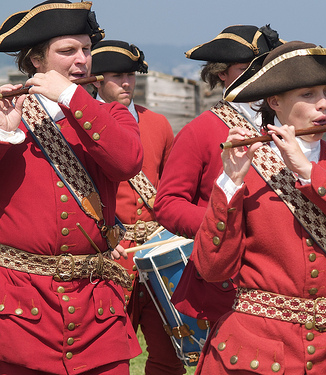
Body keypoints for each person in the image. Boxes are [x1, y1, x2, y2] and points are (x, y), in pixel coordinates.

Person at [190, 40, 326, 374]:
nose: (323, 105)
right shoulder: (247, 165)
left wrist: (308, 172)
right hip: (254, 350)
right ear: (275, 101)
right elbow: (213, 269)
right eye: (308, 95)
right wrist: (229, 183)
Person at [0, 1, 144, 374]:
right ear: (35, 61)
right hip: (19, 308)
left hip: (97, 312)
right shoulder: (7, 114)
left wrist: (70, 96)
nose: (82, 60)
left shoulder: (110, 114)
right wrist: (4, 133)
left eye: (86, 49)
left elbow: (126, 162)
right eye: (67, 51)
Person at [153, 25, 283, 323]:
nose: (257, 75)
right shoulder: (199, 131)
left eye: (264, 66)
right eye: (245, 68)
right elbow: (168, 204)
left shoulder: (287, 126)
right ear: (222, 72)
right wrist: (223, 225)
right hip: (226, 276)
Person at [90, 40, 185, 375]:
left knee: (170, 351)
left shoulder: (158, 124)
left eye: (131, 74)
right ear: (96, 79)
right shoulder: (82, 125)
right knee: (109, 353)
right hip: (110, 252)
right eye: (118, 75)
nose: (127, 82)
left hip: (159, 250)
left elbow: (173, 189)